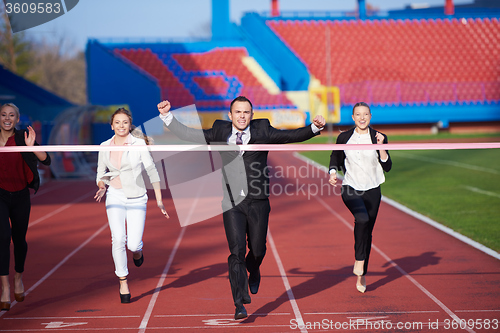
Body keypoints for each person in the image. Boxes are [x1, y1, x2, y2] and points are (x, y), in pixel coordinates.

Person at [157, 96, 326, 319]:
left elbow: (290, 136)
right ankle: (239, 303)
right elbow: (191, 135)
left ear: (252, 115)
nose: (242, 116)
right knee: (236, 252)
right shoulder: (219, 131)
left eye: (246, 112)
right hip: (231, 202)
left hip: (258, 200)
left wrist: (315, 127)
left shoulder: (263, 130)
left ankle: (254, 268)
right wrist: (167, 116)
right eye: (238, 112)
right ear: (230, 115)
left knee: (257, 250)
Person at [94, 108, 169, 304]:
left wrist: (159, 200)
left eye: (125, 122)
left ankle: (138, 251)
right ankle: (123, 280)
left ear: (130, 124)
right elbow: (100, 173)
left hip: (136, 196)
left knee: (133, 244)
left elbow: (152, 171)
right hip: (115, 196)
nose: (121, 126)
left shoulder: (138, 145)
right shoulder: (104, 146)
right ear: (112, 125)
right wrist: (102, 185)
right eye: (117, 122)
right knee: (118, 238)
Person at [328, 102, 392, 293]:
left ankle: (361, 273)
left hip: (373, 189)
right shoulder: (344, 137)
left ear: (370, 116)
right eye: (358, 114)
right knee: (361, 219)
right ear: (353, 117)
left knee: (367, 233)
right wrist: (332, 172)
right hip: (351, 187)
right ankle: (359, 259)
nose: (362, 117)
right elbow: (335, 158)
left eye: (365, 114)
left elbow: (387, 166)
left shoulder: (379, 137)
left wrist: (381, 146)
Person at [0, 103, 51, 311]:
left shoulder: (22, 137)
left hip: (21, 195)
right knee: (2, 237)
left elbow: (46, 160)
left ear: (17, 119)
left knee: (19, 240)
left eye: (11, 115)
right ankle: (4, 286)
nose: (7, 118)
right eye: (3, 114)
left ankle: (18, 277)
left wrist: (32, 147)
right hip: (0, 194)